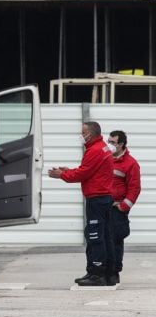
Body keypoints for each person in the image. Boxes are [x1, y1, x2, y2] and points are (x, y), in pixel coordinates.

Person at [48, 121, 115, 287]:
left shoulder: (95, 150)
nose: (81, 135)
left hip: (97, 199)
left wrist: (61, 175)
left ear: (90, 134)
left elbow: (83, 173)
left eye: (82, 132)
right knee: (104, 235)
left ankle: (97, 274)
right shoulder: (102, 148)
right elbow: (88, 170)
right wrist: (68, 171)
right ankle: (106, 273)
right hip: (103, 198)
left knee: (95, 236)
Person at [108, 130, 141, 285]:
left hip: (116, 210)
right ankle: (101, 271)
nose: (110, 145)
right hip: (102, 207)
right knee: (100, 239)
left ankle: (114, 272)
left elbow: (134, 188)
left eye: (113, 142)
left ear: (121, 144)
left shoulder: (130, 163)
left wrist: (123, 206)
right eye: (108, 141)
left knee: (115, 239)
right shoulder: (105, 158)